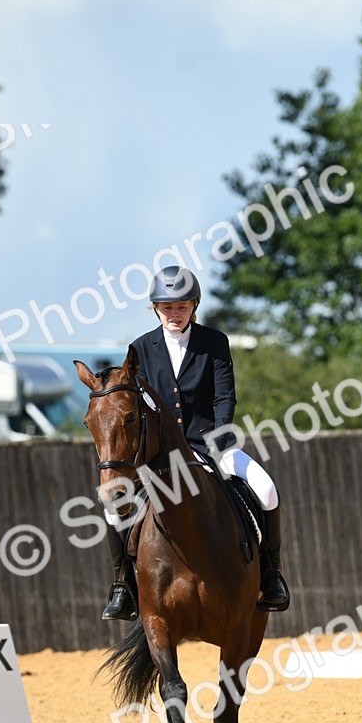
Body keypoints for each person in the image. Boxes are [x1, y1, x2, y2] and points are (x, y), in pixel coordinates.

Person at [101, 265, 290, 620]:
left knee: (266, 490)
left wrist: (220, 437)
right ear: (155, 308)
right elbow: (140, 406)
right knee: (114, 506)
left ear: (194, 306)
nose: (175, 314)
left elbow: (224, 397)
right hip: (158, 456)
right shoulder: (140, 349)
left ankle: (271, 575)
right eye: (168, 307)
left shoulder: (214, 343)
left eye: (182, 306)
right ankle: (123, 586)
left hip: (211, 445)